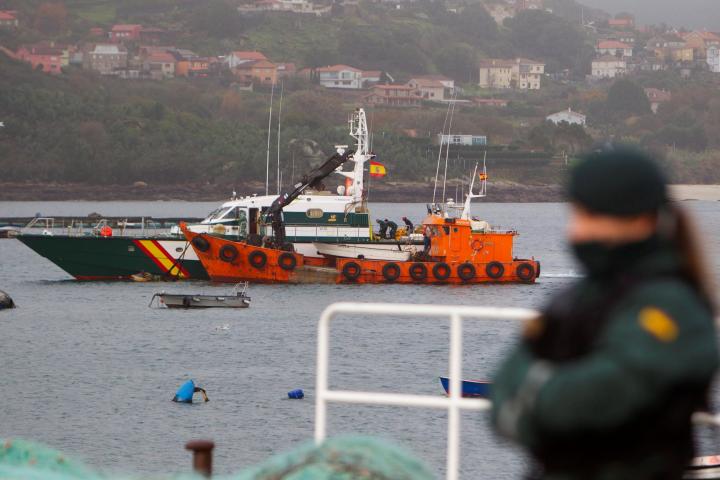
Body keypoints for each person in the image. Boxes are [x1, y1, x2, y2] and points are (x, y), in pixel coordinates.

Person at [491, 147, 719, 480]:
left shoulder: (672, 308)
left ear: (640, 220)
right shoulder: (575, 298)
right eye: (576, 215)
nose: (576, 232)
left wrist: (535, 394)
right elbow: (501, 393)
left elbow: (596, 397)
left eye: (592, 217)